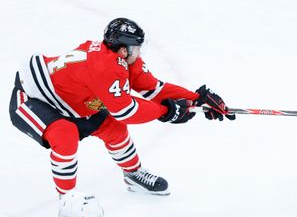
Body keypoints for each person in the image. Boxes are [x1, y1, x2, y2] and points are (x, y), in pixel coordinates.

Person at [9, 18, 234, 196]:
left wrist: (197, 98)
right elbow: (126, 111)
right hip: (31, 98)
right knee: (65, 135)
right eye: (137, 48)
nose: (140, 53)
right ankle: (68, 201)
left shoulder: (123, 60)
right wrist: (167, 111)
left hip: (70, 100)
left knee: (113, 128)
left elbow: (153, 89)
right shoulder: (105, 67)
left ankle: (133, 174)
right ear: (123, 49)